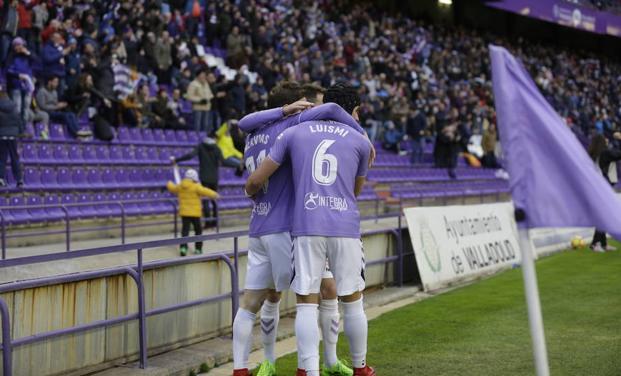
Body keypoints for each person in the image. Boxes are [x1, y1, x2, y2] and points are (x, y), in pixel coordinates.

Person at [233, 81, 367, 376]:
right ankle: (311, 365)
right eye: (311, 105)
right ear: (299, 106)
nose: (317, 111)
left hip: (260, 223)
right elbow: (333, 112)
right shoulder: (293, 127)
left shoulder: (255, 133)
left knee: (263, 298)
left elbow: (244, 123)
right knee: (311, 295)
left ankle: (254, 365)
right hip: (291, 225)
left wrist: (250, 192)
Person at [171, 137, 240, 229]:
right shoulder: (217, 148)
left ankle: (208, 223)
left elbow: (190, 155)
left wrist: (177, 160)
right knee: (214, 200)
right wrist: (238, 165)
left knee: (205, 201)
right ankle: (215, 222)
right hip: (214, 178)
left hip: (204, 177)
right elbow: (223, 161)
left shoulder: (201, 146)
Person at [166, 168, 219, 256]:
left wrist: (168, 183)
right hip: (195, 214)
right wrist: (215, 194)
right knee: (198, 231)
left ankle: (183, 248)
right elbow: (205, 191)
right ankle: (198, 249)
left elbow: (173, 188)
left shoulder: (180, 185)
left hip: (184, 213)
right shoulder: (196, 186)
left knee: (185, 231)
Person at [587, 134, 620, 252]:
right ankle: (595, 243)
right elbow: (618, 154)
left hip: (593, 187)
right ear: (601, 142)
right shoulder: (605, 153)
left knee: (604, 215)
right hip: (600, 188)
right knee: (603, 215)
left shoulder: (590, 155)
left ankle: (603, 243)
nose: (607, 140)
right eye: (605, 139)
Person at [0, 84, 24, 188]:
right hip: (13, 135)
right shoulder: (14, 106)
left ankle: (0, 179)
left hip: (2, 135)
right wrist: (20, 132)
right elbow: (19, 121)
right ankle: (19, 180)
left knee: (2, 159)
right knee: (15, 158)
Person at [185, 69, 214, 134]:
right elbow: (189, 96)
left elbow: (210, 93)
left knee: (206, 126)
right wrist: (200, 100)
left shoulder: (206, 84)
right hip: (198, 108)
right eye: (202, 75)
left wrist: (208, 98)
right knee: (197, 126)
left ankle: (204, 140)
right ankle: (197, 139)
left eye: (204, 75)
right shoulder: (193, 84)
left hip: (206, 107)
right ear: (198, 75)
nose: (203, 76)